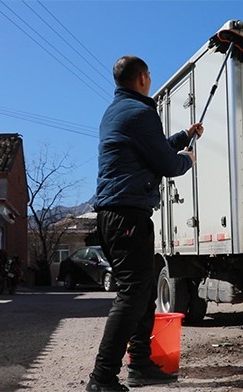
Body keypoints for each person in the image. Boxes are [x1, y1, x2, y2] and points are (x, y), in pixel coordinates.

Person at [86, 55, 203, 392]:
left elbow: (152, 149)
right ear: (142, 78)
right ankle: (102, 378)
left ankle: (140, 365)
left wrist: (183, 135)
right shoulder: (141, 112)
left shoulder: (118, 111)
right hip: (127, 215)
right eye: (149, 75)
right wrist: (187, 159)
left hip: (118, 214)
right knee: (132, 294)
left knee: (145, 292)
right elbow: (165, 163)